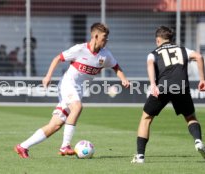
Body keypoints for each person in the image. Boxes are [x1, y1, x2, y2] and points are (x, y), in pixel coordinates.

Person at [14, 22, 130, 158]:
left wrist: (123, 79)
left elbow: (116, 67)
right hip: (67, 84)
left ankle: (22, 146)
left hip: (79, 90)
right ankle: (65, 146)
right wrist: (48, 76)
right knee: (77, 107)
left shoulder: (105, 55)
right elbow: (58, 58)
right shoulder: (79, 49)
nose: (106, 41)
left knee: (55, 125)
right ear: (96, 36)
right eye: (104, 38)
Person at [131, 26, 205, 164]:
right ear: (171, 39)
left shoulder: (153, 53)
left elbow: (150, 64)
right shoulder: (183, 50)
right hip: (181, 87)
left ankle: (140, 157)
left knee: (146, 118)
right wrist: (202, 79)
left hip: (162, 87)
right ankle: (198, 141)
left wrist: (153, 84)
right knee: (190, 117)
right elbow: (199, 56)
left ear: (158, 40)